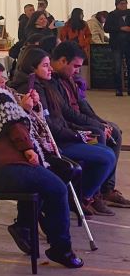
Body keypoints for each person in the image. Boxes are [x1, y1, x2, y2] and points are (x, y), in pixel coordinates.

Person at [0, 77, 82, 268]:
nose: (3, 82)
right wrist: (28, 148)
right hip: (8, 166)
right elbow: (16, 124)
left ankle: (24, 226)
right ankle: (61, 248)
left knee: (45, 182)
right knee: (57, 187)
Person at [9, 48, 115, 217]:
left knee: (101, 139)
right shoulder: (31, 90)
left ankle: (88, 194)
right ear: (32, 68)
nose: (50, 68)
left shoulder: (48, 84)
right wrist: (77, 134)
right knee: (106, 156)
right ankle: (82, 196)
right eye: (45, 65)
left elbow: (67, 113)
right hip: (56, 144)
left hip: (65, 134)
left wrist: (93, 126)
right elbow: (48, 125)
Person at [48, 41, 129, 208]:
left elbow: (82, 105)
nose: (78, 71)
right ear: (62, 61)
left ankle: (106, 189)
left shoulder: (67, 78)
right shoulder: (48, 83)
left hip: (73, 126)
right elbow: (66, 116)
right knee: (99, 136)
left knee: (113, 131)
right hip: (68, 133)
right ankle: (91, 195)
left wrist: (100, 121)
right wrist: (93, 127)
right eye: (76, 66)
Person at [104, 0, 130, 96]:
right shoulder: (112, 15)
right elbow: (106, 28)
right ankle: (118, 89)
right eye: (122, 4)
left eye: (125, 3)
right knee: (117, 67)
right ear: (117, 5)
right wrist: (121, 28)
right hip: (117, 45)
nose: (124, 6)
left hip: (128, 43)